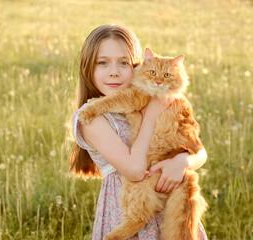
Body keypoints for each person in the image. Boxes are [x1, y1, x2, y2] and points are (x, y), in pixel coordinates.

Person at [69, 24, 208, 240]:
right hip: (127, 211)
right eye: (103, 63)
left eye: (123, 63)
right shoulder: (91, 118)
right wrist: (152, 115)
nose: (114, 71)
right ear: (88, 68)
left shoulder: (154, 97)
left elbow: (200, 152)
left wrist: (181, 162)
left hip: (171, 208)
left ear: (137, 65)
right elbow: (135, 170)